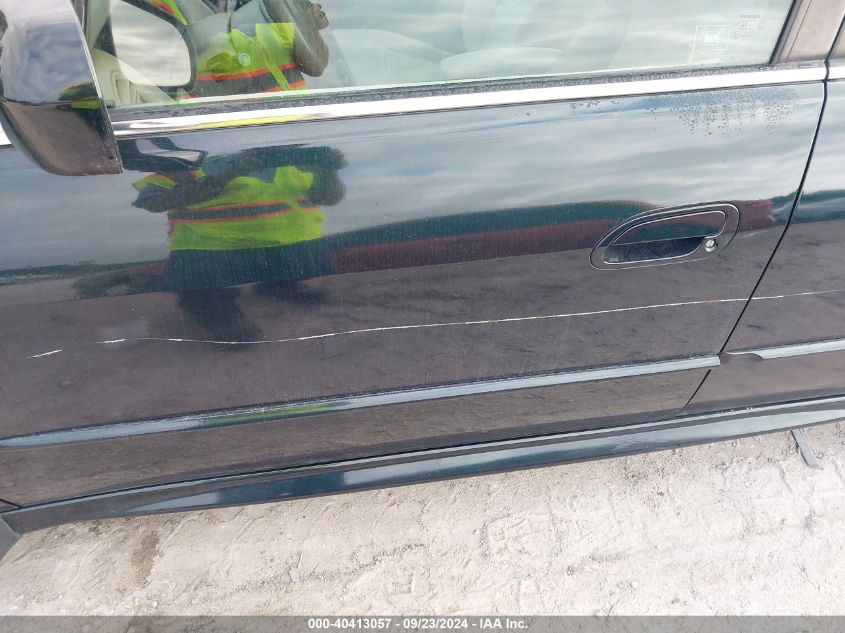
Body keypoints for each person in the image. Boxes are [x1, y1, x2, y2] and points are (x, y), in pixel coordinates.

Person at [146, 0, 330, 96]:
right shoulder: (158, 8)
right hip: (228, 135)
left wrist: (306, 24)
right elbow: (164, 84)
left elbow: (317, 64)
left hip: (297, 125)